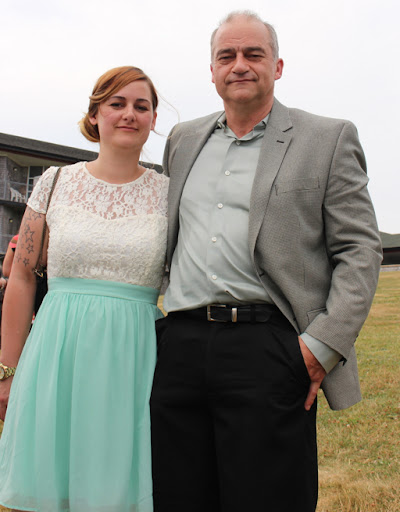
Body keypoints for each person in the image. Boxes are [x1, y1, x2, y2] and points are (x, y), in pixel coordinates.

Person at [150, 11, 382, 512]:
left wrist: (321, 346)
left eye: (253, 54)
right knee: (177, 496)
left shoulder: (327, 138)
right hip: (180, 348)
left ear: (277, 66)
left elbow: (360, 250)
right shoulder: (182, 140)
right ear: (212, 71)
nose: (239, 65)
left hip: (270, 346)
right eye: (226, 56)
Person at [0, 66, 168, 512]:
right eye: (116, 103)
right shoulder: (55, 182)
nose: (129, 114)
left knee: (121, 486)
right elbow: (22, 276)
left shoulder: (170, 194)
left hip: (135, 357)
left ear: (153, 119)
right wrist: (7, 371)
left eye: (141, 106)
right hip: (58, 352)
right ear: (94, 114)